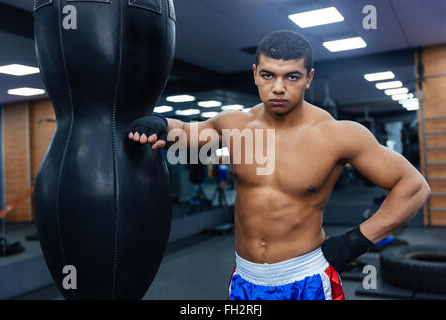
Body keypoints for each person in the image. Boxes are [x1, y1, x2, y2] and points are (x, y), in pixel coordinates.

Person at [126, 30, 431, 300]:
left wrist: (354, 243)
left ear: (309, 78)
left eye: (292, 76)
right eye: (269, 75)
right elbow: (190, 132)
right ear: (255, 73)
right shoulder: (235, 124)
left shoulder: (338, 135)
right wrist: (161, 122)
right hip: (245, 279)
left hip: (307, 279)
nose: (279, 88)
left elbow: (414, 186)